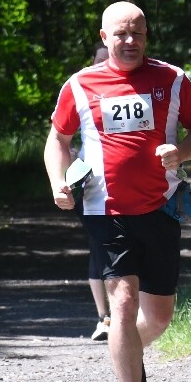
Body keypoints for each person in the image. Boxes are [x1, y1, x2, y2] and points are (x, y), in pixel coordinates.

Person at [44, 2, 191, 382]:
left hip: (161, 205)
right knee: (122, 301)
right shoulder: (81, 85)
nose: (130, 41)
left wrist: (183, 152)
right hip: (105, 209)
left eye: (137, 33)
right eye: (120, 34)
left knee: (158, 315)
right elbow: (58, 140)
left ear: (147, 35)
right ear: (104, 38)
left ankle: (127, 353)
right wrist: (57, 181)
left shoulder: (171, 79)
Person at [84, 44, 112, 341]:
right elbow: (59, 138)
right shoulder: (80, 87)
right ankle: (103, 317)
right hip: (92, 186)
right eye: (99, 59)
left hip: (135, 190)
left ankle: (125, 315)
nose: (105, 64)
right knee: (98, 248)